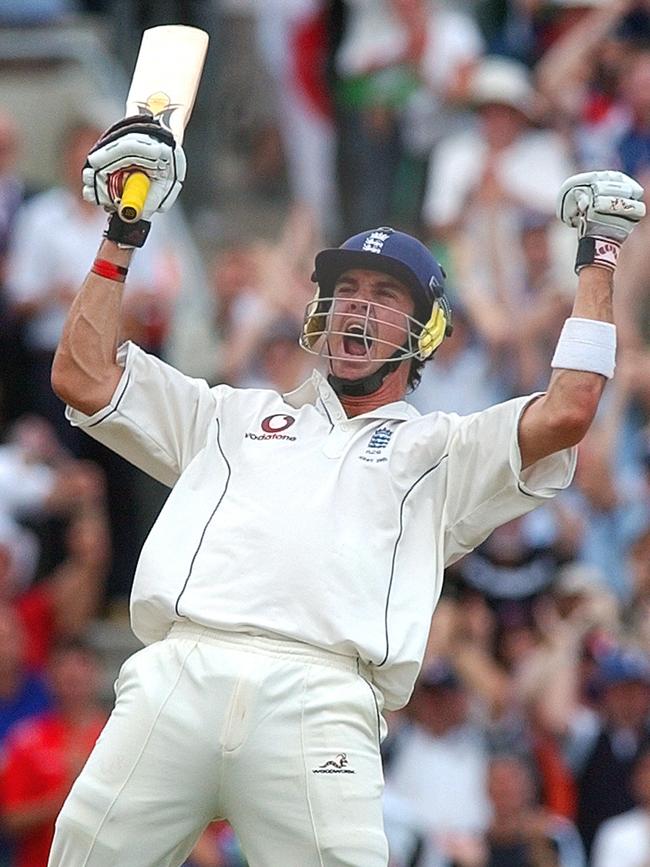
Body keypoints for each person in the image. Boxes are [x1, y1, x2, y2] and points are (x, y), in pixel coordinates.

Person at [45, 108, 644, 866]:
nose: (358, 302)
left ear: (426, 331)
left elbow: (569, 410)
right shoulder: (229, 414)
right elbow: (84, 374)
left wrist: (598, 259)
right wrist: (123, 227)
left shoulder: (445, 449)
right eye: (347, 288)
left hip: (323, 703)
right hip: (175, 679)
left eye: (385, 294)